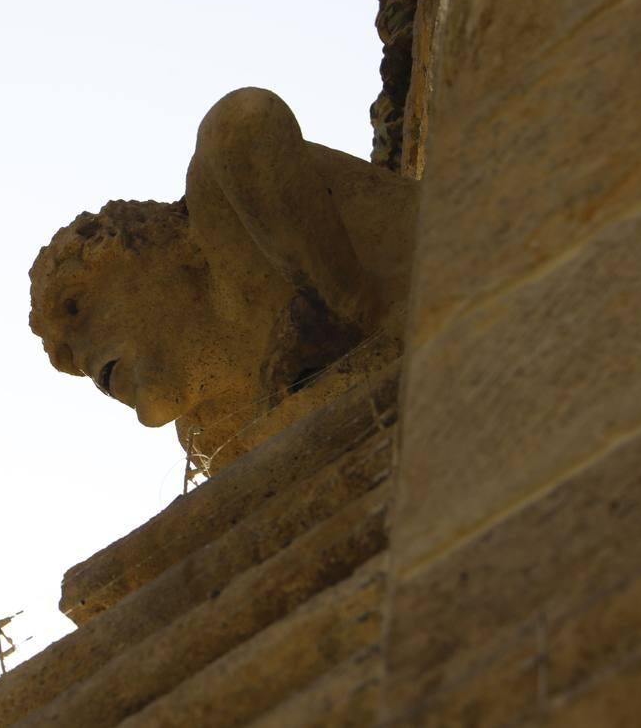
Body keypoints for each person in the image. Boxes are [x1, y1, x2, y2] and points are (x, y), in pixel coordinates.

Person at [29, 87, 418, 473]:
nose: (72, 358)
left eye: (75, 305)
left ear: (143, 250)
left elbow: (244, 121)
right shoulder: (207, 429)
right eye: (70, 361)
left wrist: (341, 299)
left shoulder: (220, 203)